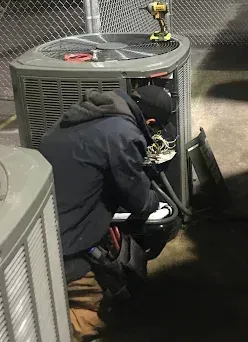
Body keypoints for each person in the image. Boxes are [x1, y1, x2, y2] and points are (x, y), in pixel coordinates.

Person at [39, 85, 174, 342]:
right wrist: (152, 193)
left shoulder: (95, 112)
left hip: (43, 225)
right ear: (151, 121)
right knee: (89, 313)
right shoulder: (123, 135)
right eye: (155, 129)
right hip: (68, 248)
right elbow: (141, 202)